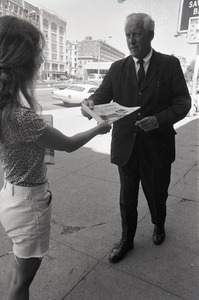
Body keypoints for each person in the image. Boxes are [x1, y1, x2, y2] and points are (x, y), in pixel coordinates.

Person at [0, 15, 111, 300]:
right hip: (28, 205)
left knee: (19, 273)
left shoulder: (6, 110)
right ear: (25, 67)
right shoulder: (22, 117)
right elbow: (70, 145)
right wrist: (99, 128)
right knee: (20, 284)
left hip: (11, 195)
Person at [82, 13, 191, 263]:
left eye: (136, 34)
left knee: (157, 195)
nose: (131, 40)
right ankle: (127, 239)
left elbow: (183, 102)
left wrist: (160, 119)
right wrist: (90, 104)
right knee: (127, 198)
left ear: (150, 35)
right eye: (128, 35)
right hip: (126, 146)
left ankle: (158, 224)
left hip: (157, 146)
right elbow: (101, 95)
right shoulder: (117, 67)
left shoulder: (169, 65)